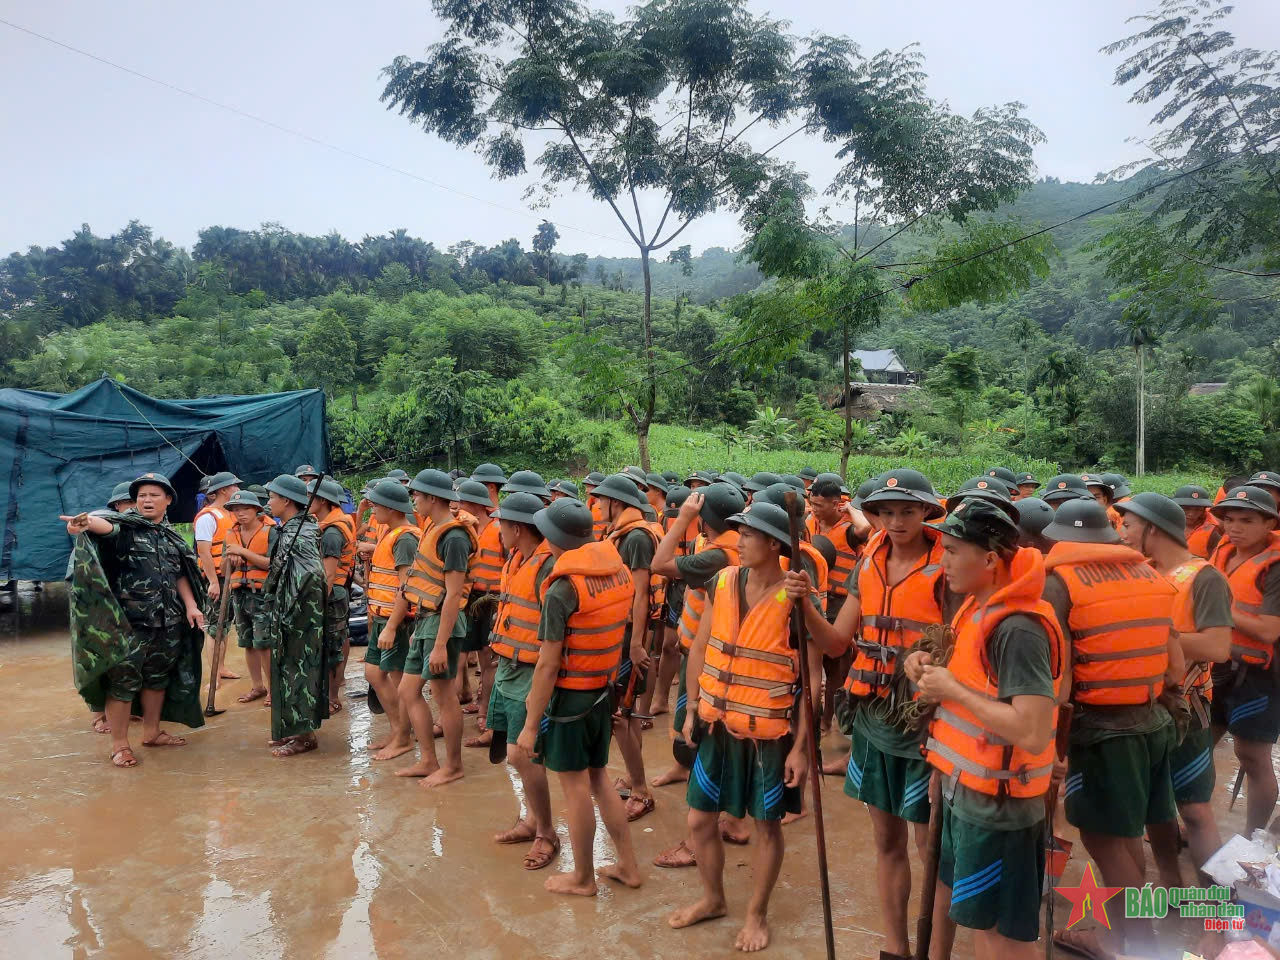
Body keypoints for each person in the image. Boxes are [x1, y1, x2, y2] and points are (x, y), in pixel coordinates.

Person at [788, 468, 952, 960]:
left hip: (928, 720)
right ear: (875, 514)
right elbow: (837, 641)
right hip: (876, 716)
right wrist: (807, 606)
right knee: (886, 838)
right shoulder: (869, 561)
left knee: (933, 847)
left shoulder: (948, 566)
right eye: (887, 511)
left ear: (926, 512)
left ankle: (936, 951)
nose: (897, 520)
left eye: (908, 510)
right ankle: (896, 947)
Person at [900, 499, 1062, 960]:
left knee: (999, 935)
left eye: (953, 550)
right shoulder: (977, 607)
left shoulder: (1018, 627)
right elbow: (974, 683)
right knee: (976, 921)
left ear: (990, 559)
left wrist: (951, 689)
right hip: (964, 788)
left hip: (1000, 806)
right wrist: (929, 667)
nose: (942, 560)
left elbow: (1030, 731)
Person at [1042, 498, 1181, 958]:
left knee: (1102, 841)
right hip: (1151, 721)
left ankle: (1135, 946)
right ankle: (1119, 936)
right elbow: (1175, 668)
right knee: (1124, 837)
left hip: (1101, 731)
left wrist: (1052, 746)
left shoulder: (1058, 583)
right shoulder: (1148, 574)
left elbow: (1059, 679)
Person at [672, 501, 807, 953]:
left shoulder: (795, 594)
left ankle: (756, 914)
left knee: (767, 827)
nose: (739, 541)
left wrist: (801, 748)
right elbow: (698, 649)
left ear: (774, 543)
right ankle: (712, 898)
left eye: (749, 535)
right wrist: (691, 711)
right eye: (740, 533)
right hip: (715, 724)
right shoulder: (724, 580)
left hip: (767, 736)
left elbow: (815, 680)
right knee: (698, 819)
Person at [515, 498, 643, 897]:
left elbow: (548, 664)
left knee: (574, 787)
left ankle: (583, 878)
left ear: (554, 539)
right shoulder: (617, 571)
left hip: (571, 699)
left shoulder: (562, 589)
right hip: (602, 692)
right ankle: (628, 865)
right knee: (599, 778)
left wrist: (530, 725)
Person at [1116, 493, 1232, 885]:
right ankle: (1172, 891)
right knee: (1156, 811)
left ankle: (1213, 919)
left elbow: (1218, 646)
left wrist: (1156, 639)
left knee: (1195, 811)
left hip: (1188, 709)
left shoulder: (1205, 577)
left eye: (1128, 524)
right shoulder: (1141, 572)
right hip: (1145, 711)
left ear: (1152, 527)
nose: (1123, 532)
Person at [64, 472, 207, 768]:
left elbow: (179, 573)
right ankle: (120, 745)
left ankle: (152, 732)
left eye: (154, 494)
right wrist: (87, 522)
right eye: (141, 495)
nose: (147, 499)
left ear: (168, 500)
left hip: (168, 622)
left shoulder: (172, 537)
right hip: (130, 625)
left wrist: (191, 606)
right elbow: (106, 529)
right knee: (123, 684)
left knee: (157, 680)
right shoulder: (127, 529)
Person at [650, 482, 746, 867]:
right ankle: (729, 818)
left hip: (709, 659)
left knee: (699, 738)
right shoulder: (729, 545)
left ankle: (706, 834)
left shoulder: (718, 555)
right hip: (708, 653)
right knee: (695, 735)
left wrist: (681, 518)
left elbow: (659, 564)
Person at [487, 492, 560, 870]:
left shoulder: (547, 567)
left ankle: (546, 831)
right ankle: (532, 818)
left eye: (501, 524)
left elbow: (556, 633)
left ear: (517, 529)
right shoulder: (519, 558)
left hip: (532, 670)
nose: (497, 530)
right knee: (512, 751)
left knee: (522, 753)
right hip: (509, 663)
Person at [398, 469, 477, 787]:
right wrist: (423, 627)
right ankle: (429, 759)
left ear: (432, 498)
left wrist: (441, 643)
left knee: (444, 696)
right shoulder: (434, 527)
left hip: (443, 625)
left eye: (416, 494)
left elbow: (455, 593)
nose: (413, 499)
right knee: (407, 690)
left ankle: (454, 765)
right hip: (427, 620)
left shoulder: (454, 537)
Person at [1209, 485, 1280, 834]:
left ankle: (1253, 838)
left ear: (1270, 523)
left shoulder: (1276, 567)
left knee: (1252, 757)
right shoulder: (1221, 549)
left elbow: (1268, 630)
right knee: (1194, 747)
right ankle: (1197, 824)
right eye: (1229, 519)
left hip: (1258, 676)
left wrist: (1218, 609)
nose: (1234, 528)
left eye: (1247, 520)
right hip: (1216, 665)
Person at [593, 473, 662, 821]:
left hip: (630, 637)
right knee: (628, 715)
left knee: (618, 716)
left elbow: (640, 594)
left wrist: (636, 644)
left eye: (600, 500)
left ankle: (641, 792)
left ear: (616, 503)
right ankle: (636, 778)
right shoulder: (624, 533)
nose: (596, 505)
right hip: (621, 634)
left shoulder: (635, 538)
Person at [258, 475, 329, 757]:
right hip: (291, 615)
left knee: (298, 672)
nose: (268, 503)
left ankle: (304, 737)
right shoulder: (293, 530)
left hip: (299, 619)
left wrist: (289, 611)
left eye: (272, 497)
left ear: (286, 500)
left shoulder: (300, 534)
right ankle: (293, 729)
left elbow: (312, 576)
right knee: (286, 672)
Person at [362, 480, 421, 761]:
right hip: (383, 617)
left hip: (396, 621)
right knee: (373, 673)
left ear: (390, 507)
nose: (372, 509)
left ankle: (403, 737)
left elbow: (405, 587)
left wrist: (393, 626)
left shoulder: (406, 538)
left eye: (375, 504)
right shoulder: (390, 532)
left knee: (400, 680)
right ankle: (398, 729)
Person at [807, 475, 867, 736]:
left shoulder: (849, 529)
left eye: (819, 505)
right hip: (814, 598)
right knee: (809, 663)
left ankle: (826, 721)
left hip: (840, 604)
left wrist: (851, 508)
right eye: (812, 504)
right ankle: (810, 716)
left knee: (834, 668)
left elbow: (865, 529)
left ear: (836, 504)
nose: (814, 509)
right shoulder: (811, 524)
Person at [85, 481, 139, 734]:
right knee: (101, 659)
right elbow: (99, 525)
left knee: (126, 662)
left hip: (127, 607)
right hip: (99, 603)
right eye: (130, 502)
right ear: (118, 505)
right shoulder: (108, 524)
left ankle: (124, 710)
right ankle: (98, 715)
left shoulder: (139, 528)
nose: (135, 506)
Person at [456, 479, 504, 738]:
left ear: (475, 504)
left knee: (488, 658)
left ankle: (487, 710)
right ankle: (476, 700)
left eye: (463, 501)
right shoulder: (465, 530)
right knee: (465, 650)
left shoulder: (498, 529)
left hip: (494, 598)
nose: (459, 506)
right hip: (472, 597)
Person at [220, 490, 272, 704]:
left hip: (262, 595)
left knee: (264, 643)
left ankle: (272, 689)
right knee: (247, 642)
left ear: (256, 510)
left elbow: (271, 564)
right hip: (239, 595)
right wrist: (231, 557)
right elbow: (224, 569)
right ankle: (257, 686)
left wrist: (242, 552)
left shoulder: (271, 532)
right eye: (235, 510)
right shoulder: (230, 535)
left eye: (245, 509)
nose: (240, 513)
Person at [313, 478, 358, 716]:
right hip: (337, 591)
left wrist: (319, 602)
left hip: (333, 593)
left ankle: (332, 697)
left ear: (322, 501)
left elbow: (329, 574)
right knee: (334, 643)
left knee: (332, 647)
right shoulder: (330, 523)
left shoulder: (331, 531)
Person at [194, 471, 242, 681]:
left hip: (230, 576)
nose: (238, 490)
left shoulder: (230, 514)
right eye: (235, 487)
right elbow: (204, 551)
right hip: (216, 578)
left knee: (224, 624)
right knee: (214, 626)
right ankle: (214, 675)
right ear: (223, 490)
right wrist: (213, 582)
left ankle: (221, 667)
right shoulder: (208, 516)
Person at [1174, 485, 1221, 559]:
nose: (1191, 514)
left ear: (1203, 510)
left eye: (1197, 509)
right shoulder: (1163, 524)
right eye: (1186, 508)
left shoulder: (1213, 533)